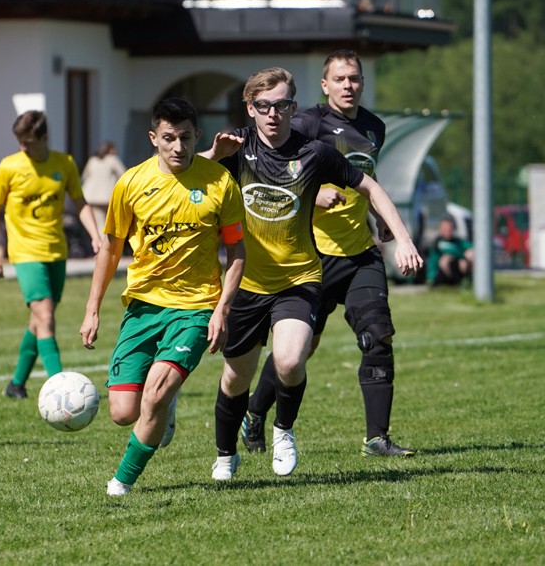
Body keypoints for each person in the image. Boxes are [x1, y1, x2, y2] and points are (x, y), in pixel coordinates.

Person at [202, 66, 422, 480]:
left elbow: (370, 186)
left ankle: (284, 430)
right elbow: (182, 175)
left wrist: (404, 239)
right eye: (263, 106)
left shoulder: (314, 152)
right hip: (247, 282)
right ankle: (226, 454)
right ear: (250, 108)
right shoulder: (236, 148)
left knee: (290, 360)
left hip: (299, 278)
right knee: (235, 378)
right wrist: (213, 156)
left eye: (281, 105)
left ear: (293, 106)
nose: (273, 114)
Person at [80, 97, 246, 496]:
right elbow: (110, 249)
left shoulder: (220, 182)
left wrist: (221, 310)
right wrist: (92, 309)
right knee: (123, 412)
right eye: (169, 137)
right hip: (143, 305)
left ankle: (122, 482)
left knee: (153, 396)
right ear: (153, 137)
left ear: (197, 136)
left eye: (186, 137)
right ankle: (167, 403)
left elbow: (237, 252)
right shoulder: (131, 183)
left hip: (195, 307)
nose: (178, 146)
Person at [0, 110, 101, 400]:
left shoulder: (65, 164)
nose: (22, 147)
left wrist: (95, 235)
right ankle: (60, 388)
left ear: (44, 137)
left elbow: (80, 202)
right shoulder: (9, 167)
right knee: (45, 314)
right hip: (25, 253)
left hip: (56, 251)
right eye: (20, 141)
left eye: (28, 142)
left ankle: (16, 384)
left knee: (38, 320)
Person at [81, 141, 126, 234]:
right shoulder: (113, 160)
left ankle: (99, 240)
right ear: (111, 150)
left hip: (91, 196)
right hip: (107, 196)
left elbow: (84, 176)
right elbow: (124, 175)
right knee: (108, 223)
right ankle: (103, 241)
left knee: (99, 222)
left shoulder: (92, 160)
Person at [427, 215, 474, 286]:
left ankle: (469, 282)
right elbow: (450, 252)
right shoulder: (438, 242)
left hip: (456, 268)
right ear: (440, 229)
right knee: (445, 261)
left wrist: (464, 257)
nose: (448, 230)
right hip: (438, 274)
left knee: (470, 255)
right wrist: (460, 257)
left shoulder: (457, 241)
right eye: (445, 228)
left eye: (449, 228)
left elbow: (470, 247)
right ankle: (454, 284)